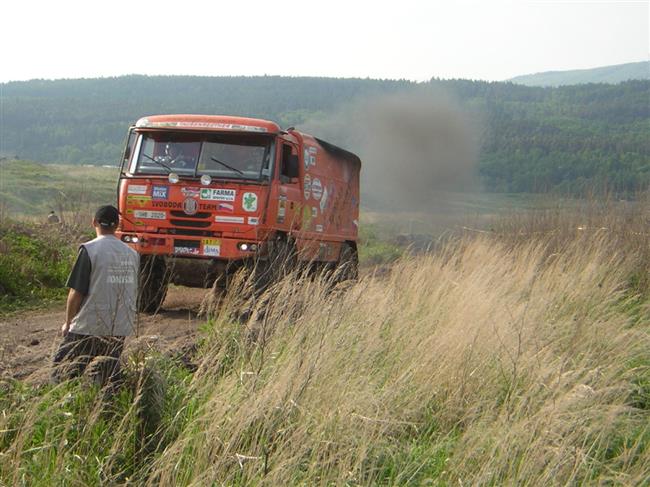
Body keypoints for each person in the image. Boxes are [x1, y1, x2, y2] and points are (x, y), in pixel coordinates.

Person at [51, 205, 139, 386]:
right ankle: (103, 409)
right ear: (117, 225)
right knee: (105, 378)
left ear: (94, 222)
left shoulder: (90, 250)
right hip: (119, 327)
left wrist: (69, 323)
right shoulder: (132, 254)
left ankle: (68, 408)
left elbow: (76, 292)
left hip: (88, 326)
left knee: (61, 374)